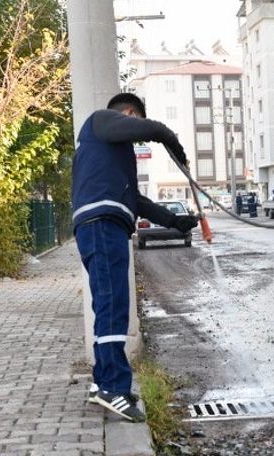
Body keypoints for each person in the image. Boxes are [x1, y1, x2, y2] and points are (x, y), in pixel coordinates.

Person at [72, 93, 198, 422]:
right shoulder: (101, 120)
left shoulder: (114, 153)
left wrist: (173, 221)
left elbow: (137, 201)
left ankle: (104, 385)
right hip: (102, 224)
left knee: (107, 303)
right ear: (129, 114)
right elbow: (154, 129)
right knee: (113, 302)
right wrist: (172, 142)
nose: (139, 133)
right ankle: (114, 387)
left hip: (102, 225)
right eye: (137, 123)